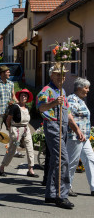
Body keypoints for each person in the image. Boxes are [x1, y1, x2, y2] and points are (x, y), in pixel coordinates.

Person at [36, 64, 85, 209]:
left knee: (54, 161)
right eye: (58, 74)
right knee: (63, 159)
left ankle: (50, 194)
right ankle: (61, 195)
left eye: (63, 75)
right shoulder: (47, 90)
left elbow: (68, 113)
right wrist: (52, 103)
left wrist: (76, 129)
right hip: (52, 125)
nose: (61, 77)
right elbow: (40, 107)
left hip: (63, 127)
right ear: (51, 75)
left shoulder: (62, 90)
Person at [0, 89, 39, 178]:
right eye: (22, 95)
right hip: (16, 131)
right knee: (13, 148)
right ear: (19, 97)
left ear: (27, 98)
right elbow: (8, 119)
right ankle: (1, 167)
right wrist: (9, 128)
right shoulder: (15, 107)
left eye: (25, 96)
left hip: (26, 130)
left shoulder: (27, 107)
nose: (23, 97)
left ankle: (31, 169)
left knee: (30, 148)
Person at [66, 77, 94, 197]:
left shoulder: (80, 100)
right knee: (72, 163)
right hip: (74, 136)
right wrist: (77, 131)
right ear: (79, 88)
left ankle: (93, 187)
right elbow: (68, 116)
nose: (88, 90)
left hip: (84, 137)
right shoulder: (72, 99)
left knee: (90, 159)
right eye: (86, 88)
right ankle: (67, 187)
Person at [0, 65, 19, 157]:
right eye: (7, 72)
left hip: (9, 112)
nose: (9, 73)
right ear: (2, 73)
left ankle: (15, 150)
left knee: (13, 131)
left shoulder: (11, 84)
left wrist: (16, 102)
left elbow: (13, 96)